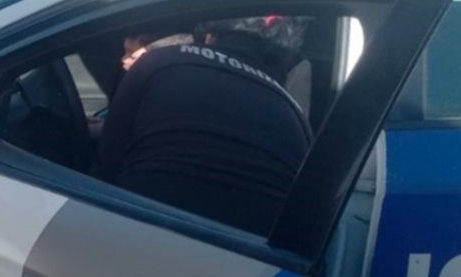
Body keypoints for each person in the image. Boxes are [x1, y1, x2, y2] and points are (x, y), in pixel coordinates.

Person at [92, 18, 311, 235]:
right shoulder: (293, 113)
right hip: (246, 250)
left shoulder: (158, 62)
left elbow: (109, 159)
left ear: (210, 37)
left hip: (141, 223)